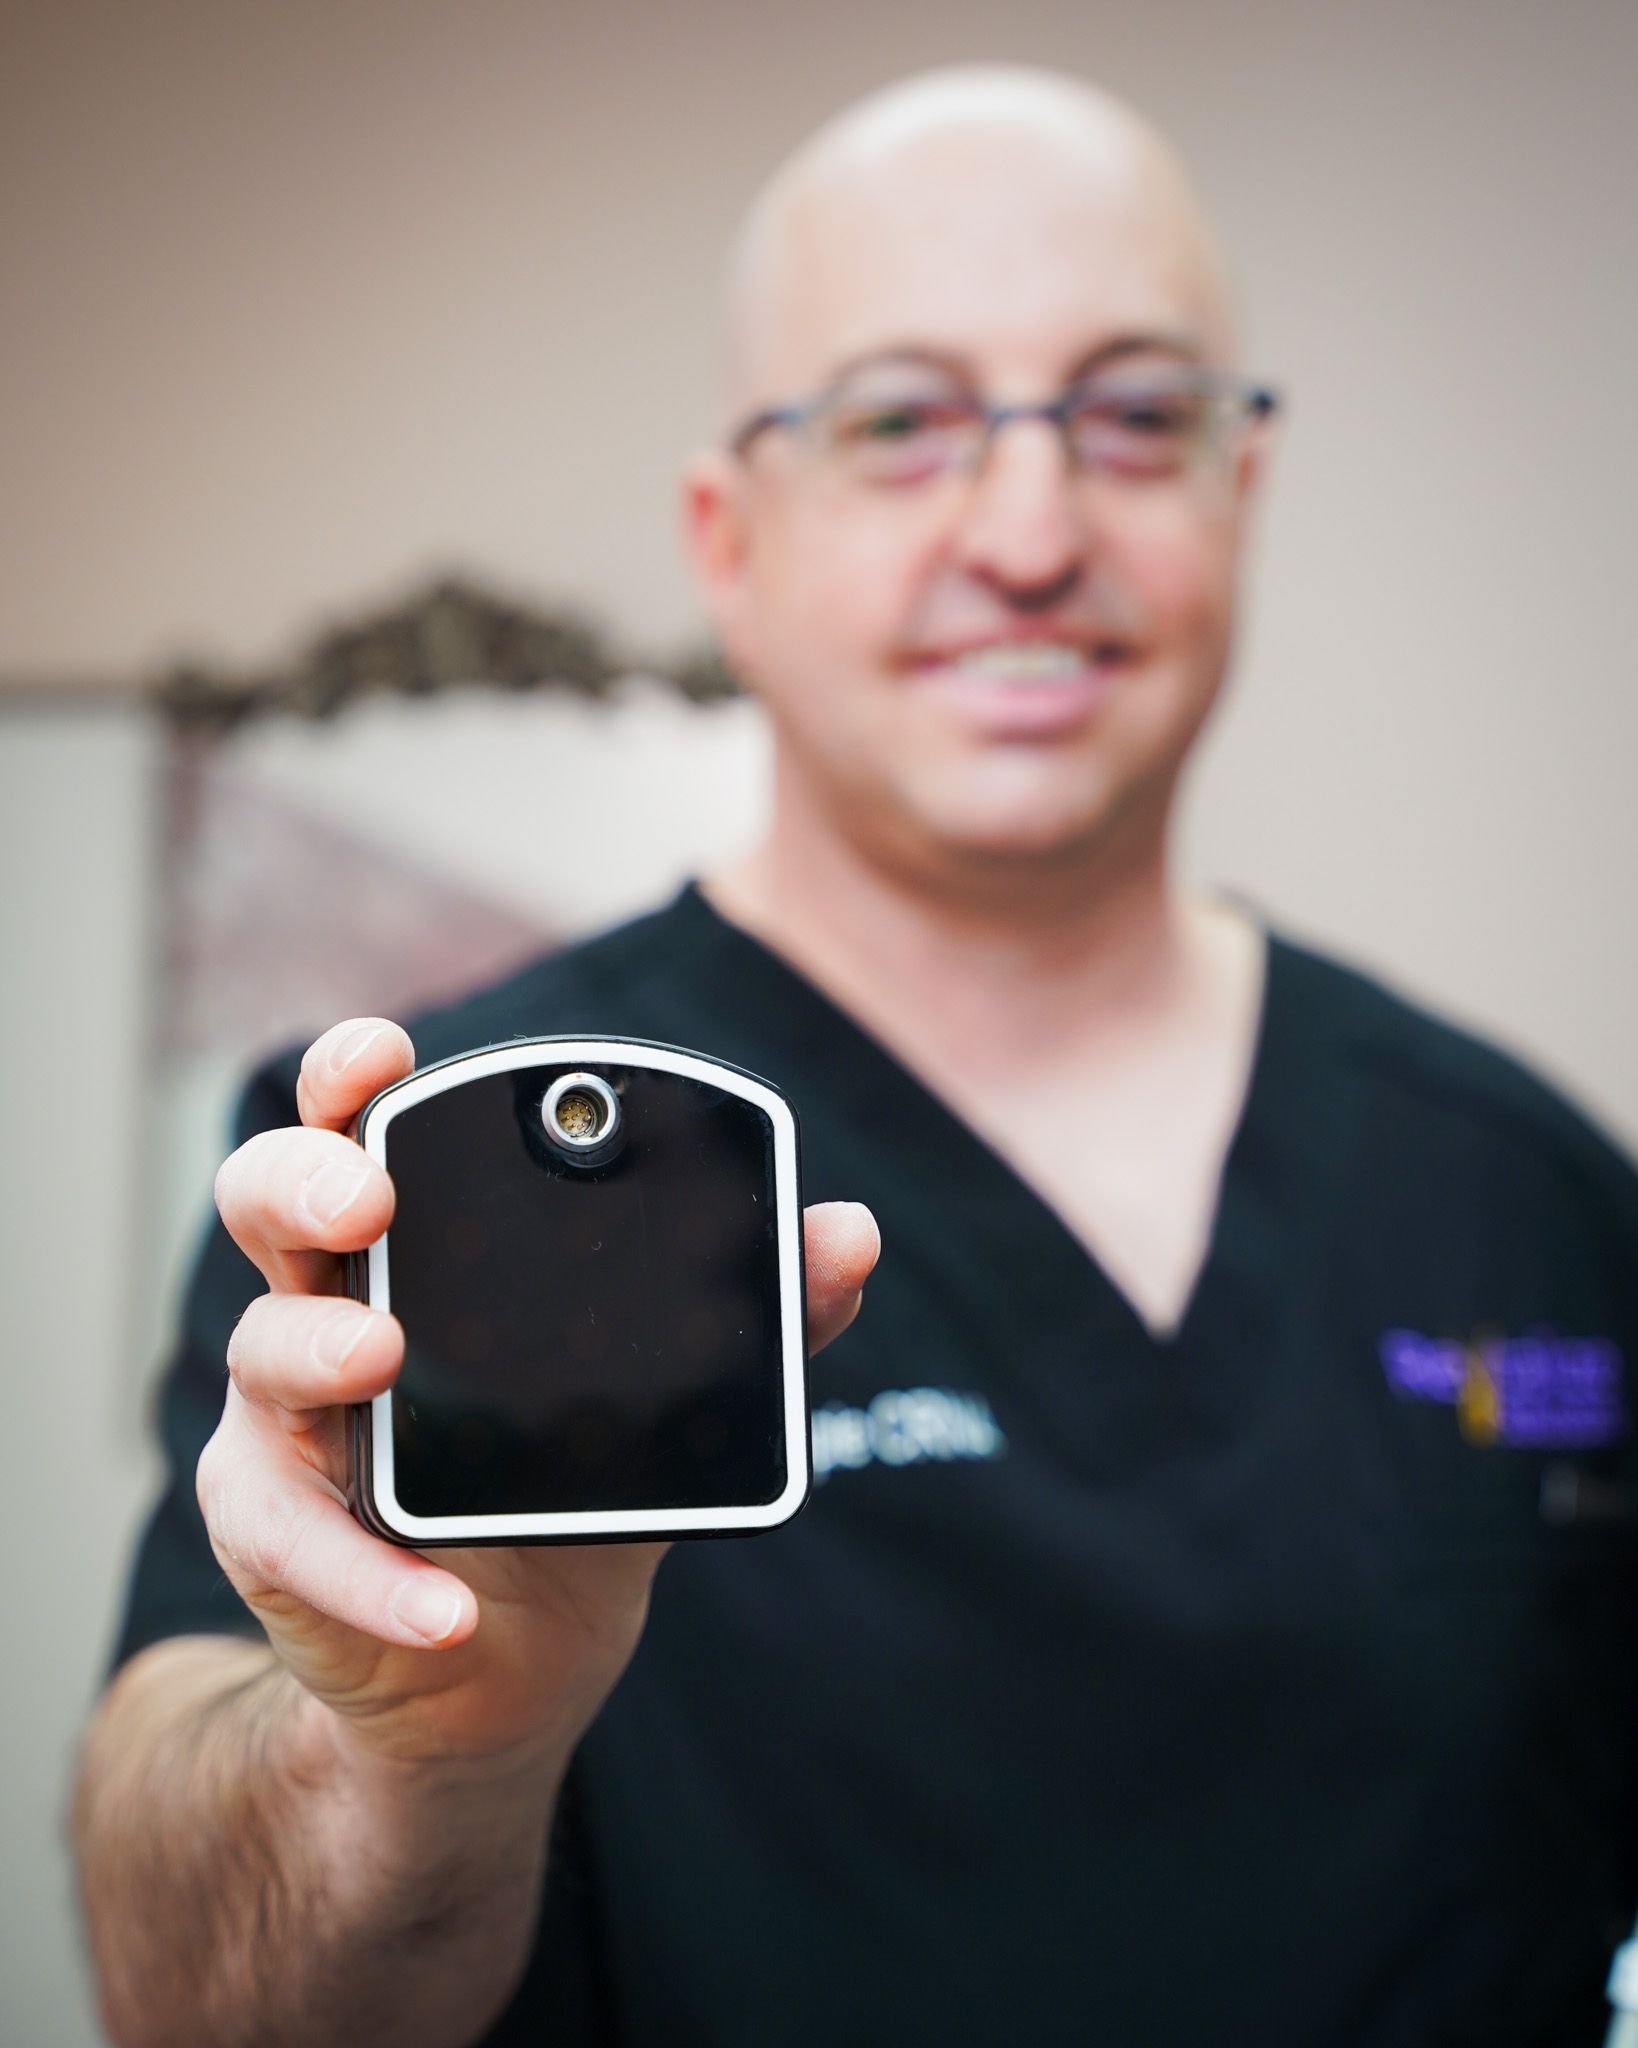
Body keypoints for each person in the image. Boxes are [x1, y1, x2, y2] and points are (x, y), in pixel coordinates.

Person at [74, 63, 1638, 2048]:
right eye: (902, 423)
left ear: (1242, 491)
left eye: (1137, 418)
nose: (1030, 527)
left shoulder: (1527, 1191)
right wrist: (404, 1759)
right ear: (729, 536)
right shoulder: (418, 1176)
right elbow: (178, 1990)